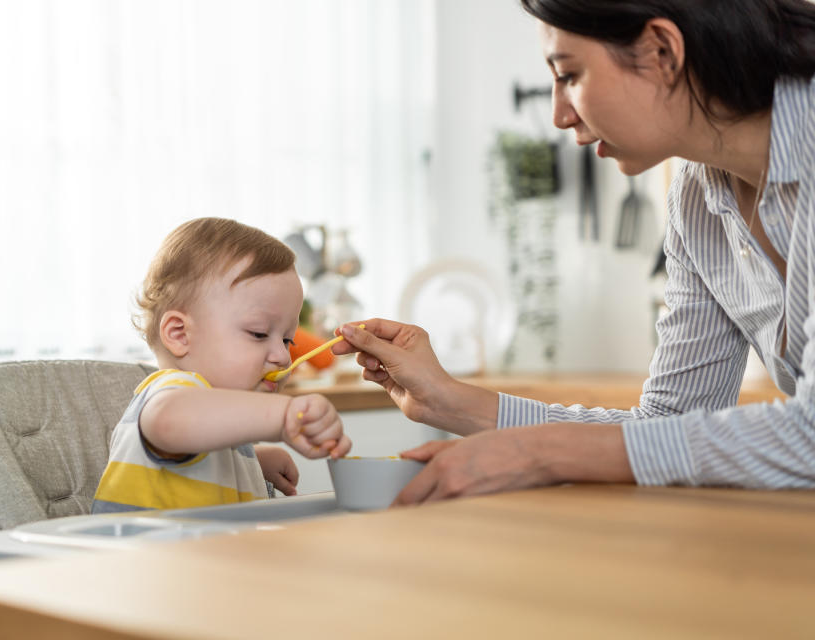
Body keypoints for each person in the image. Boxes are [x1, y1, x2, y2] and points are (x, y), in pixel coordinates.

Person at [333, 0, 815, 504]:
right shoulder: (697, 200)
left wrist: (539, 453)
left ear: (662, 51)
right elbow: (668, 426)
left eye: (569, 75)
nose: (560, 116)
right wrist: (451, 401)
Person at [93, 217, 351, 513]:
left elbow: (194, 452)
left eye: (287, 341)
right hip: (141, 558)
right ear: (180, 334)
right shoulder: (172, 390)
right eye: (258, 333)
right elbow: (169, 421)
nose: (282, 357)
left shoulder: (210, 431)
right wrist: (283, 417)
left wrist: (252, 462)